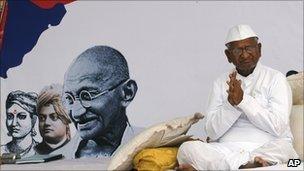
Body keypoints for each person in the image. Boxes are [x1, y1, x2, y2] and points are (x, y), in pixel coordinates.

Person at [176, 24, 298, 170]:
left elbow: (278, 127)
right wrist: (231, 105)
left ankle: (222, 167)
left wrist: (243, 101)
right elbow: (212, 132)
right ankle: (246, 165)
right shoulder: (220, 83)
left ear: (259, 49)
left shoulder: (276, 79)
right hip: (227, 148)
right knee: (187, 149)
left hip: (267, 147)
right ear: (228, 56)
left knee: (288, 153)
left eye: (249, 48)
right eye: (238, 50)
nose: (244, 54)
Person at [62, 45, 138, 158]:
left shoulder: (151, 147)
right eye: (69, 99)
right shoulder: (61, 157)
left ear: (127, 93)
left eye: (87, 96)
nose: (76, 113)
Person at [35, 84, 72, 155]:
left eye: (54, 117)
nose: (46, 123)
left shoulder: (76, 152)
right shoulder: (32, 152)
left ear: (66, 119)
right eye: (42, 118)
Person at [1, 90, 38, 158]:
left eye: (21, 117)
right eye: (10, 117)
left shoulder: (42, 151)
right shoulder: (1, 151)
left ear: (33, 120)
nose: (14, 123)